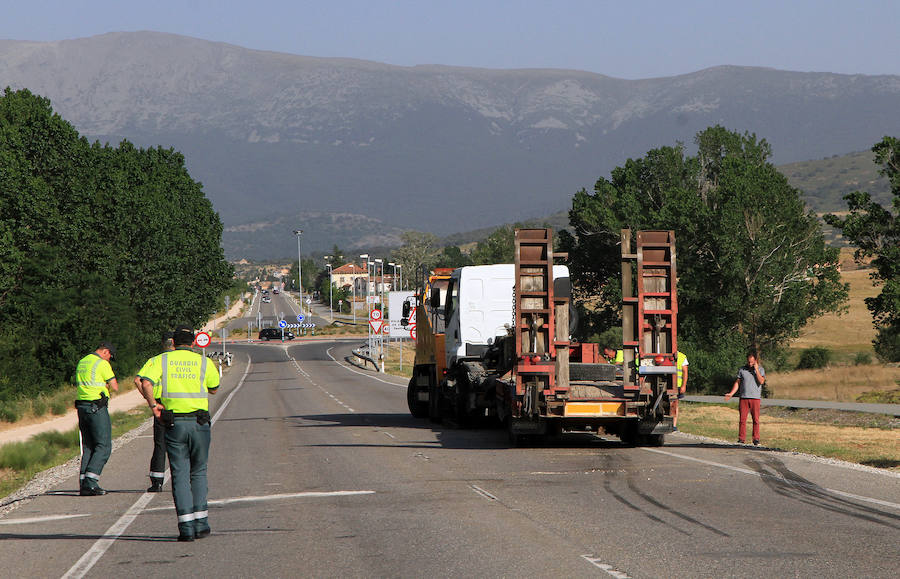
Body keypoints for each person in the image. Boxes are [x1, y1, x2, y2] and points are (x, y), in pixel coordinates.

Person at [138, 325, 219, 541]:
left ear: (173, 342)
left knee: (179, 474)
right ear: (193, 342)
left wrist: (153, 404)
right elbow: (214, 387)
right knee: (199, 472)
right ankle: (202, 524)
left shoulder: (162, 360)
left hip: (174, 424)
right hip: (199, 423)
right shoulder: (204, 361)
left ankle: (186, 528)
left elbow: (144, 382)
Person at [74, 342, 119, 496]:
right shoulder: (102, 364)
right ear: (106, 352)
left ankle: (83, 483)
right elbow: (115, 386)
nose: (109, 360)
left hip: (81, 407)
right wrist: (106, 385)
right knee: (103, 446)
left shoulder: (83, 361)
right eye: (109, 357)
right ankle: (91, 482)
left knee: (88, 446)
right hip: (96, 407)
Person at [135, 332, 175, 492]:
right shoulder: (180, 359)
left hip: (159, 404)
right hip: (178, 403)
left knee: (160, 443)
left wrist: (149, 400)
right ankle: (183, 478)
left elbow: (138, 380)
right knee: (181, 443)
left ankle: (157, 481)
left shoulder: (154, 360)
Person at [725, 351, 766, 445]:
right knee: (742, 419)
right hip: (744, 397)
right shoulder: (742, 370)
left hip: (755, 398)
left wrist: (756, 370)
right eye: (748, 362)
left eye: (752, 362)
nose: (750, 364)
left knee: (756, 420)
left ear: (755, 361)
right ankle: (741, 438)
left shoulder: (761, 369)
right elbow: (737, 382)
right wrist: (731, 393)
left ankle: (756, 438)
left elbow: (761, 381)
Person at [671, 350, 688, 432]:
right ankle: (672, 424)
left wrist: (683, 386)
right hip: (672, 385)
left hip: (677, 385)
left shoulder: (682, 356)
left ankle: (674, 425)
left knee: (675, 404)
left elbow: (685, 372)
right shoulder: (681, 356)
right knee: (673, 404)